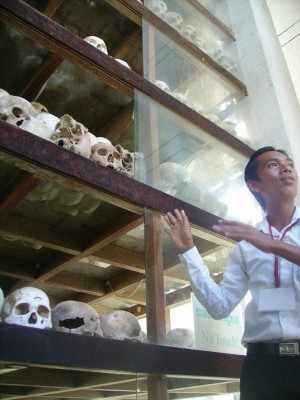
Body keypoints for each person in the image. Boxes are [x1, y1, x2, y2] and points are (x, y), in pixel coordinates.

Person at [164, 146, 300, 400]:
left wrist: (271, 244)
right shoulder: (247, 248)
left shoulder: (256, 240)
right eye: (273, 164)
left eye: (288, 162)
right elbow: (220, 306)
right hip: (262, 369)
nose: (286, 167)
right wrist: (188, 250)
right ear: (254, 185)